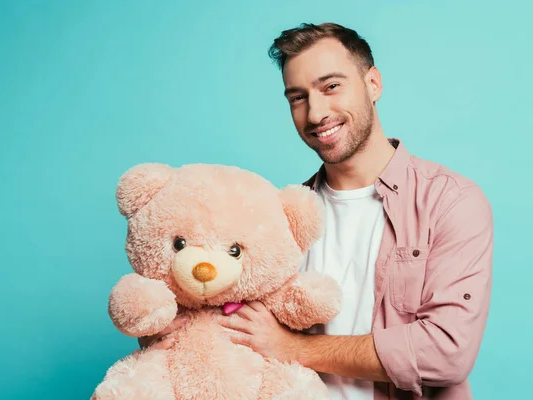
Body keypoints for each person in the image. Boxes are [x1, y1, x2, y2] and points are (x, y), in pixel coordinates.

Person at [140, 22, 494, 400]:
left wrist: (294, 348)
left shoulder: (449, 201)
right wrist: (168, 340)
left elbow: (447, 351)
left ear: (373, 84)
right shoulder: (278, 219)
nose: (315, 113)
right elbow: (231, 321)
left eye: (331, 87)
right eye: (297, 97)